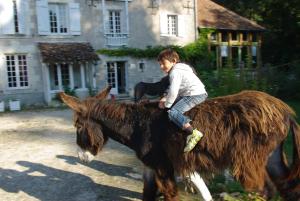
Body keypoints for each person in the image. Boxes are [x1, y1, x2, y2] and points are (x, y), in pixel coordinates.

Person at [157, 49, 208, 153]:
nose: (161, 67)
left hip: (194, 95)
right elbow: (176, 89)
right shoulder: (182, 69)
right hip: (195, 92)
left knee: (173, 112)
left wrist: (167, 104)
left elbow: (174, 91)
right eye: (160, 64)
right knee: (172, 104)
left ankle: (192, 133)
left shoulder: (175, 72)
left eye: (163, 63)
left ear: (174, 61)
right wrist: (166, 97)